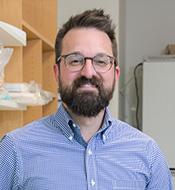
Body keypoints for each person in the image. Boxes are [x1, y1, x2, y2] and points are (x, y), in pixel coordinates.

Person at [0, 9, 173, 190]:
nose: (88, 72)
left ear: (115, 74)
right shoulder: (14, 150)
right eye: (75, 60)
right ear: (57, 73)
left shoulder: (148, 154)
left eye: (101, 61)